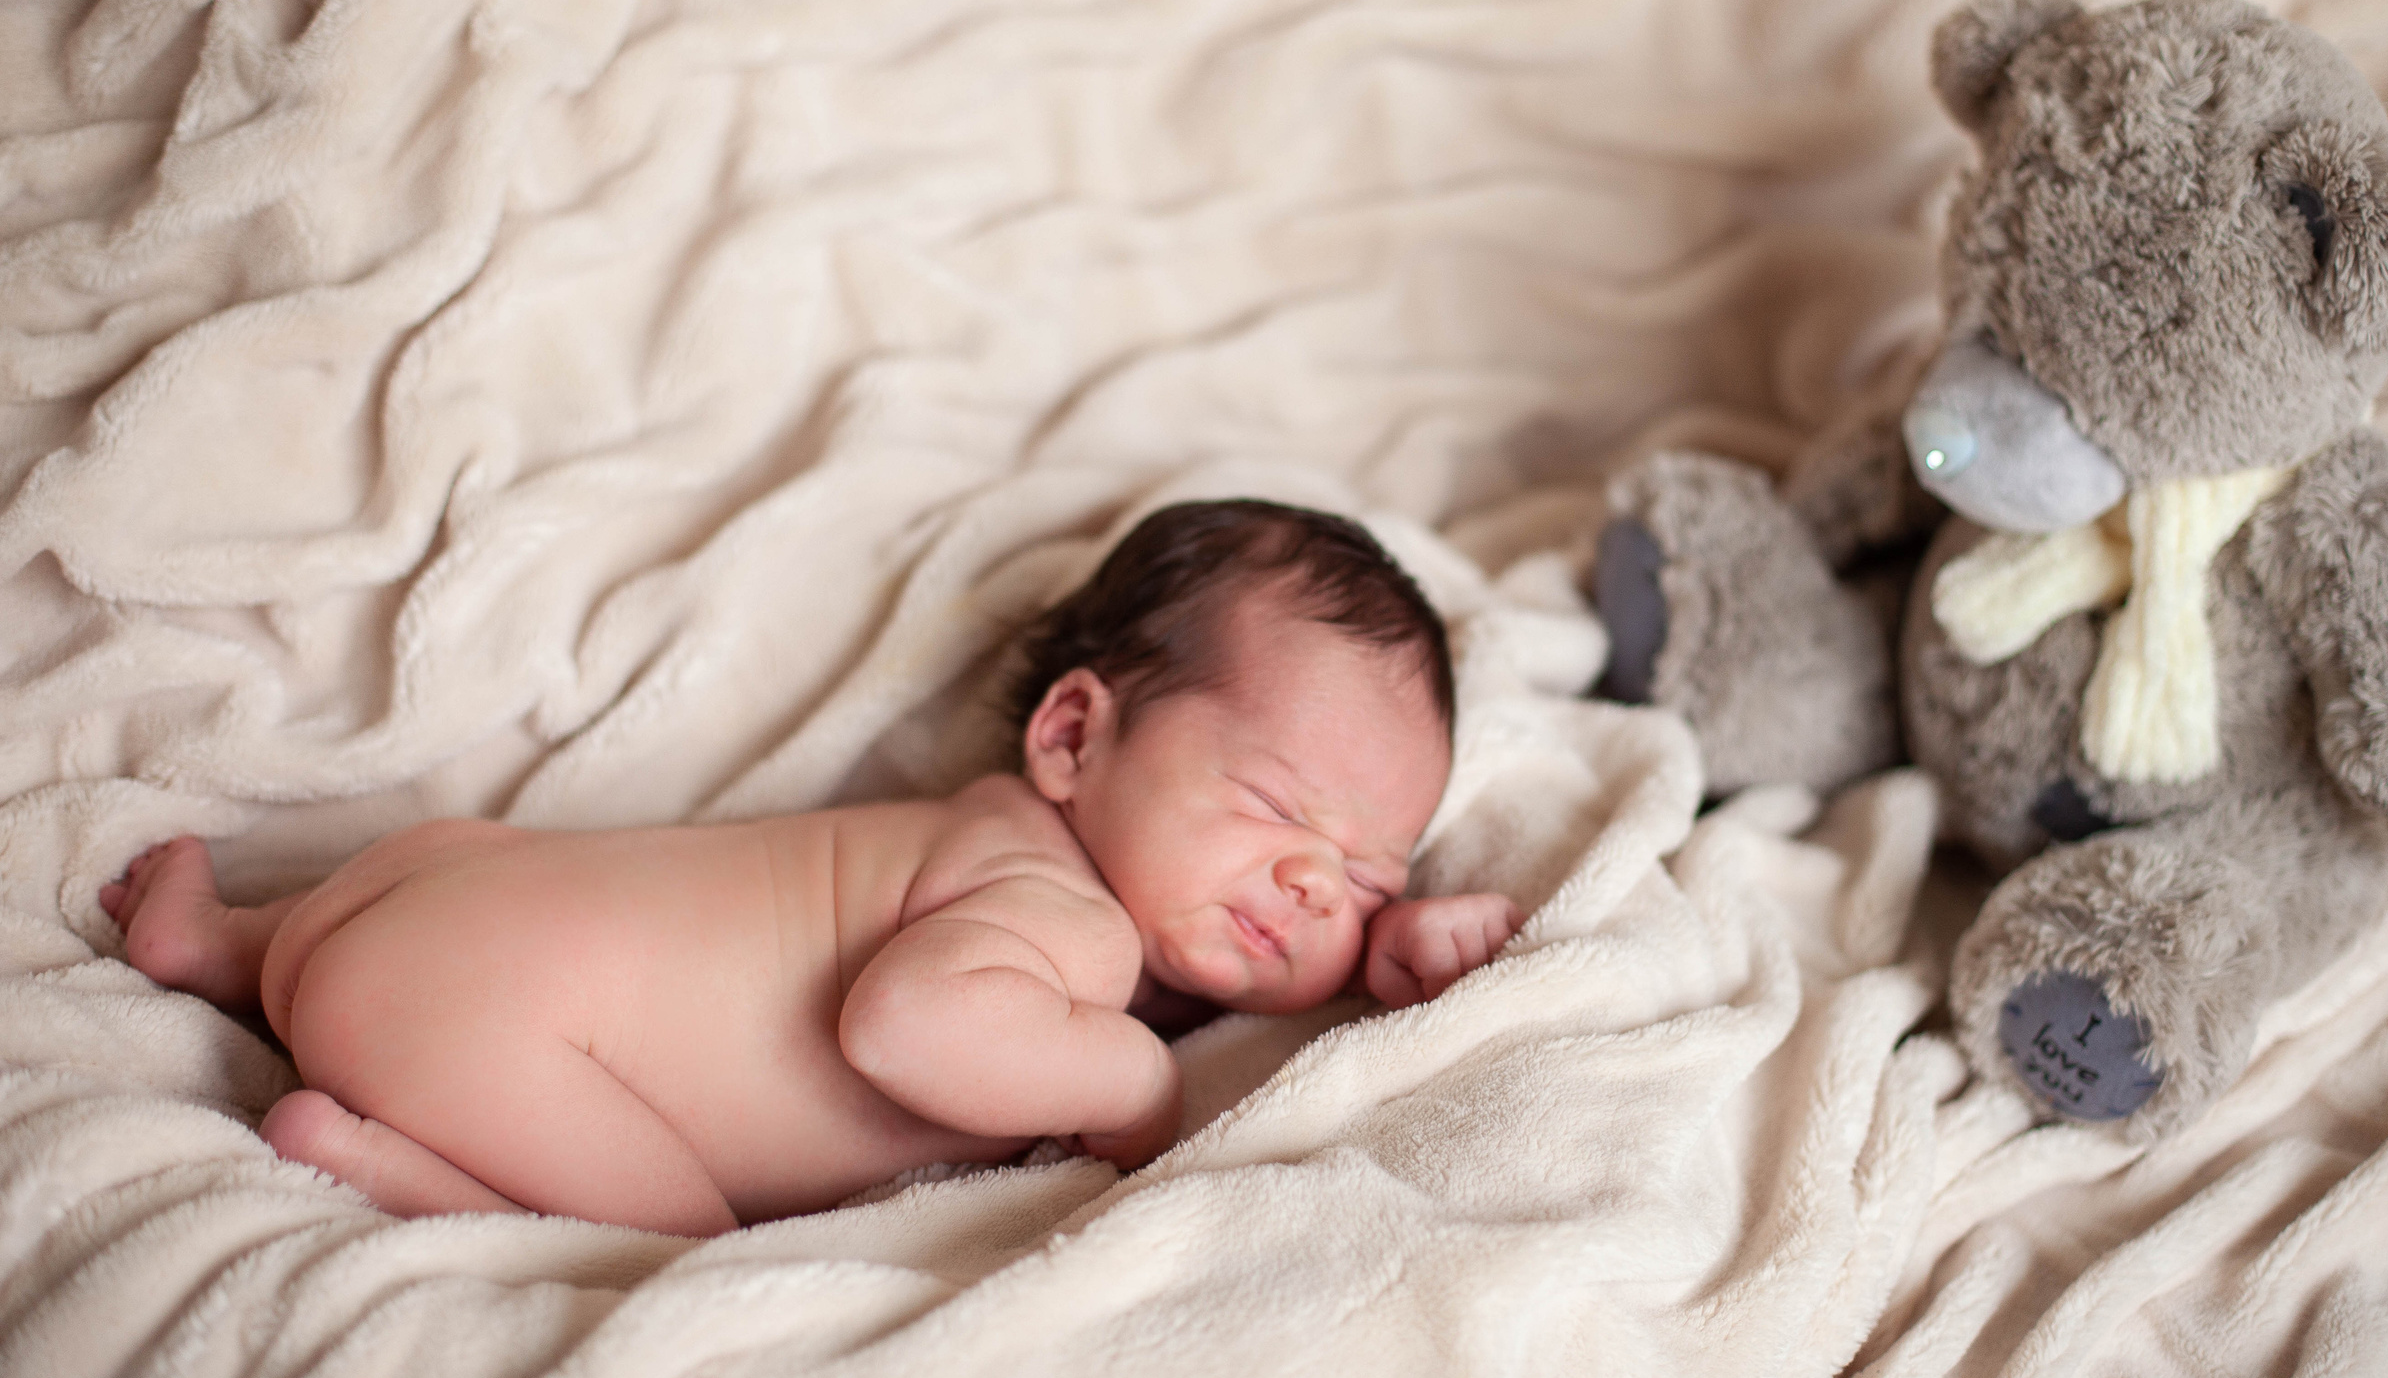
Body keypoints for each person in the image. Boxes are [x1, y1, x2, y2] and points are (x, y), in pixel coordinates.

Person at [102, 500, 1523, 1238]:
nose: (1312, 887)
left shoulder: (978, 842)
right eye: (1277, 809)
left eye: (1367, 874)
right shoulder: (1062, 921)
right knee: (676, 1238)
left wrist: (1388, 965)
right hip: (483, 1030)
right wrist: (1141, 1090)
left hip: (430, 897)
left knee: (499, 877)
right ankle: (370, 1155)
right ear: (1077, 737)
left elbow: (1225, 968)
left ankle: (225, 945)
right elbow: (909, 1027)